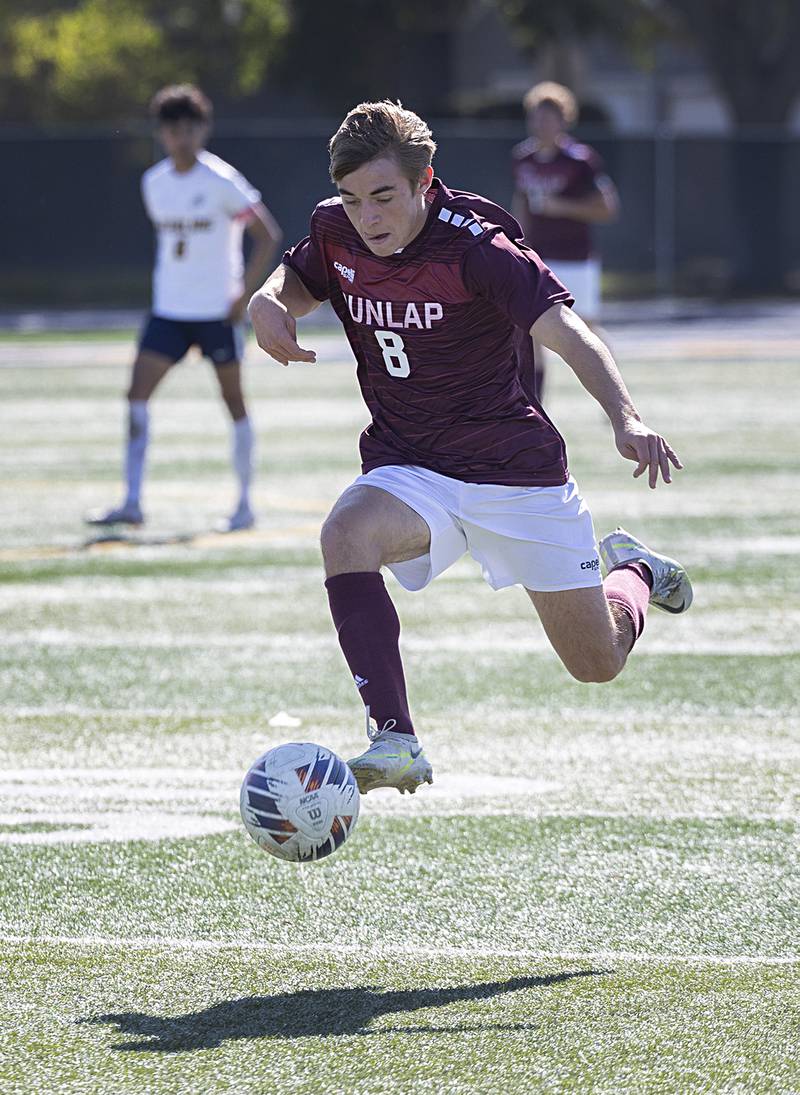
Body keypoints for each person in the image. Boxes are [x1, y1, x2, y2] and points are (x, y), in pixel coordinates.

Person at [248, 101, 691, 796]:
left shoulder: (478, 248)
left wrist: (625, 418)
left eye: (385, 196)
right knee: (346, 533)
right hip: (411, 464)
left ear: (426, 180)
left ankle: (633, 571)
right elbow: (299, 277)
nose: (368, 215)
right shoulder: (336, 231)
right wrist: (267, 300)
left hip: (514, 471)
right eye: (353, 197)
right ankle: (395, 738)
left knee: (596, 662)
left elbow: (569, 333)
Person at [87, 84, 282, 532]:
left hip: (217, 314)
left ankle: (244, 505)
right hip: (169, 312)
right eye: (173, 129)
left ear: (204, 129)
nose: (183, 137)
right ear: (161, 133)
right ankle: (132, 502)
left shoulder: (221, 181)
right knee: (136, 397)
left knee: (234, 403)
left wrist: (243, 295)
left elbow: (267, 235)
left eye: (191, 127)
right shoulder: (153, 183)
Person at [511, 81, 619, 403]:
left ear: (563, 120)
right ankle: (533, 407)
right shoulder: (522, 158)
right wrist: (519, 241)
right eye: (536, 117)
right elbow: (521, 202)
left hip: (575, 257)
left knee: (586, 330)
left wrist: (563, 207)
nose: (541, 124)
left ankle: (614, 393)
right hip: (540, 258)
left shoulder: (580, 160)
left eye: (549, 117)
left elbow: (607, 208)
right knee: (530, 331)